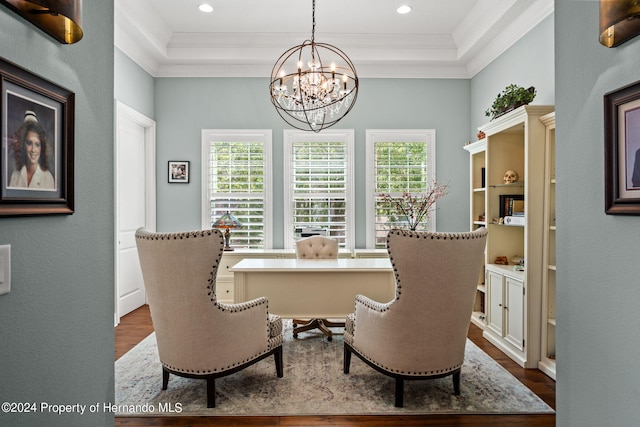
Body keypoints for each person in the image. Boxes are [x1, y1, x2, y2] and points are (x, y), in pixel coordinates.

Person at [8, 110, 55, 190]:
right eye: (29, 143)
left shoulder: (48, 178)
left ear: (42, 148)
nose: (33, 150)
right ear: (23, 145)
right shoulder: (15, 176)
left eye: (37, 145)